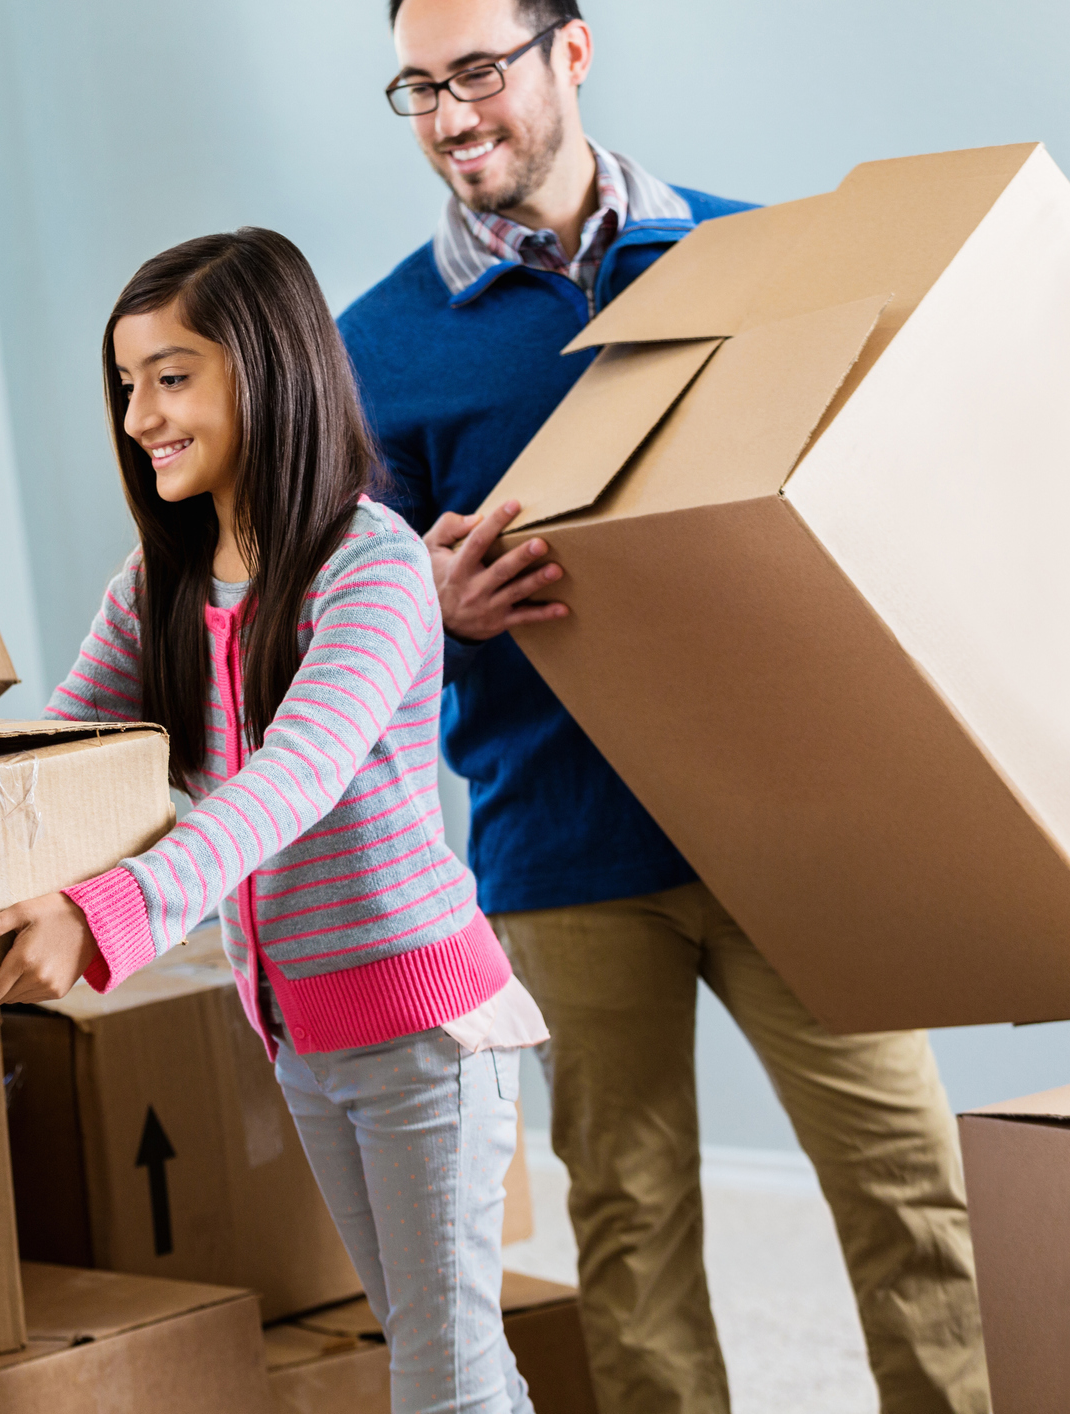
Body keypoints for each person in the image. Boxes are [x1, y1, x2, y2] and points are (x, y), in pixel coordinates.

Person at [335, 2, 991, 1411]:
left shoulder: (762, 260)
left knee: (917, 1202)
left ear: (570, 54)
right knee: (629, 1234)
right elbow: (336, 651)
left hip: (796, 834)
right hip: (561, 849)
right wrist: (427, 618)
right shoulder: (371, 351)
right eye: (417, 88)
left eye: (479, 74)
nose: (451, 117)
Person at [0, 227, 546, 1414]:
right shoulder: (161, 583)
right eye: (128, 385)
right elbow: (59, 758)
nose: (140, 417)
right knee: (447, 1358)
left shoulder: (368, 565)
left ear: (266, 370)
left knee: (441, 1382)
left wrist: (105, 916)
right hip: (301, 1037)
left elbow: (292, 780)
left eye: (172, 378)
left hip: (425, 1032)